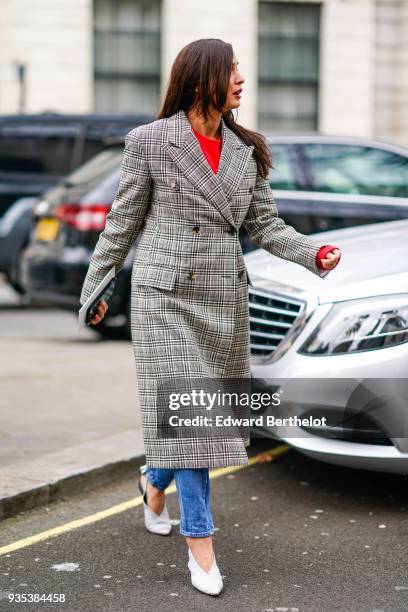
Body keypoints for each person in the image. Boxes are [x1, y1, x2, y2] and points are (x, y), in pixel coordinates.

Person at [79, 38, 342, 597]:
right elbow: (122, 223)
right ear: (204, 80)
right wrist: (96, 286)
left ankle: (154, 481)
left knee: (205, 420)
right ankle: (201, 549)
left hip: (222, 298)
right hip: (165, 295)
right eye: (234, 72)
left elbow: (266, 226)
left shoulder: (247, 150)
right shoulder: (150, 142)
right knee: (197, 419)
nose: (243, 81)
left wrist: (313, 253)